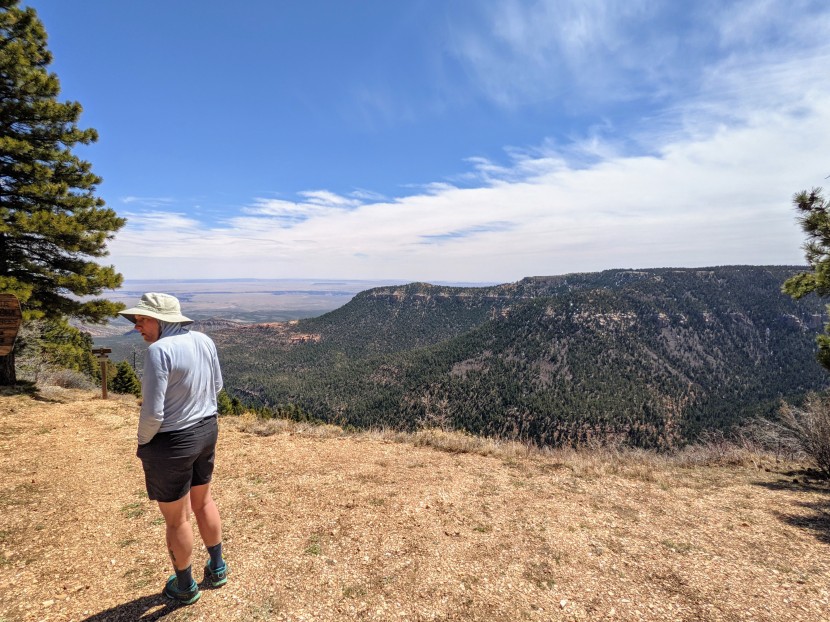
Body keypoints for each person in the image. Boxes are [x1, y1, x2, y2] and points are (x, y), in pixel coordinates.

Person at [119, 292, 229, 605]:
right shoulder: (203, 341)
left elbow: (153, 413)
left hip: (171, 441)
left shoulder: (159, 351)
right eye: (136, 320)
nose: (137, 326)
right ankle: (217, 568)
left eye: (142, 319)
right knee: (204, 501)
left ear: (162, 319)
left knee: (177, 520)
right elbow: (217, 385)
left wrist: (143, 442)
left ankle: (184, 586)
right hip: (207, 429)